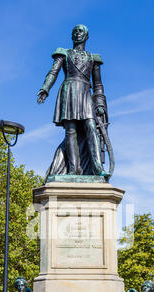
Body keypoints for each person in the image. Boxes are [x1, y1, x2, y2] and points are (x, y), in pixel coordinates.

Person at [37, 24, 110, 178]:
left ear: (86, 36)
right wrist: (45, 88)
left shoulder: (93, 58)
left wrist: (100, 104)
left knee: (90, 126)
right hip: (69, 90)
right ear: (71, 36)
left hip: (85, 93)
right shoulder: (63, 53)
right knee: (71, 132)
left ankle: (97, 168)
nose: (77, 33)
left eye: (81, 31)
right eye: (75, 31)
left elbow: (98, 85)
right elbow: (53, 72)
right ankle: (73, 170)